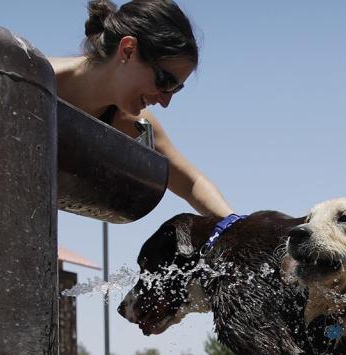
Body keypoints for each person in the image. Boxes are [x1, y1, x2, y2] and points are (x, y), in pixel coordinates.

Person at [50, 0, 234, 218]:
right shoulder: (28, 82)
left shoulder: (131, 120)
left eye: (176, 89)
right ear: (128, 51)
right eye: (165, 82)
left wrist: (236, 227)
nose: (165, 102)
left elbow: (190, 184)